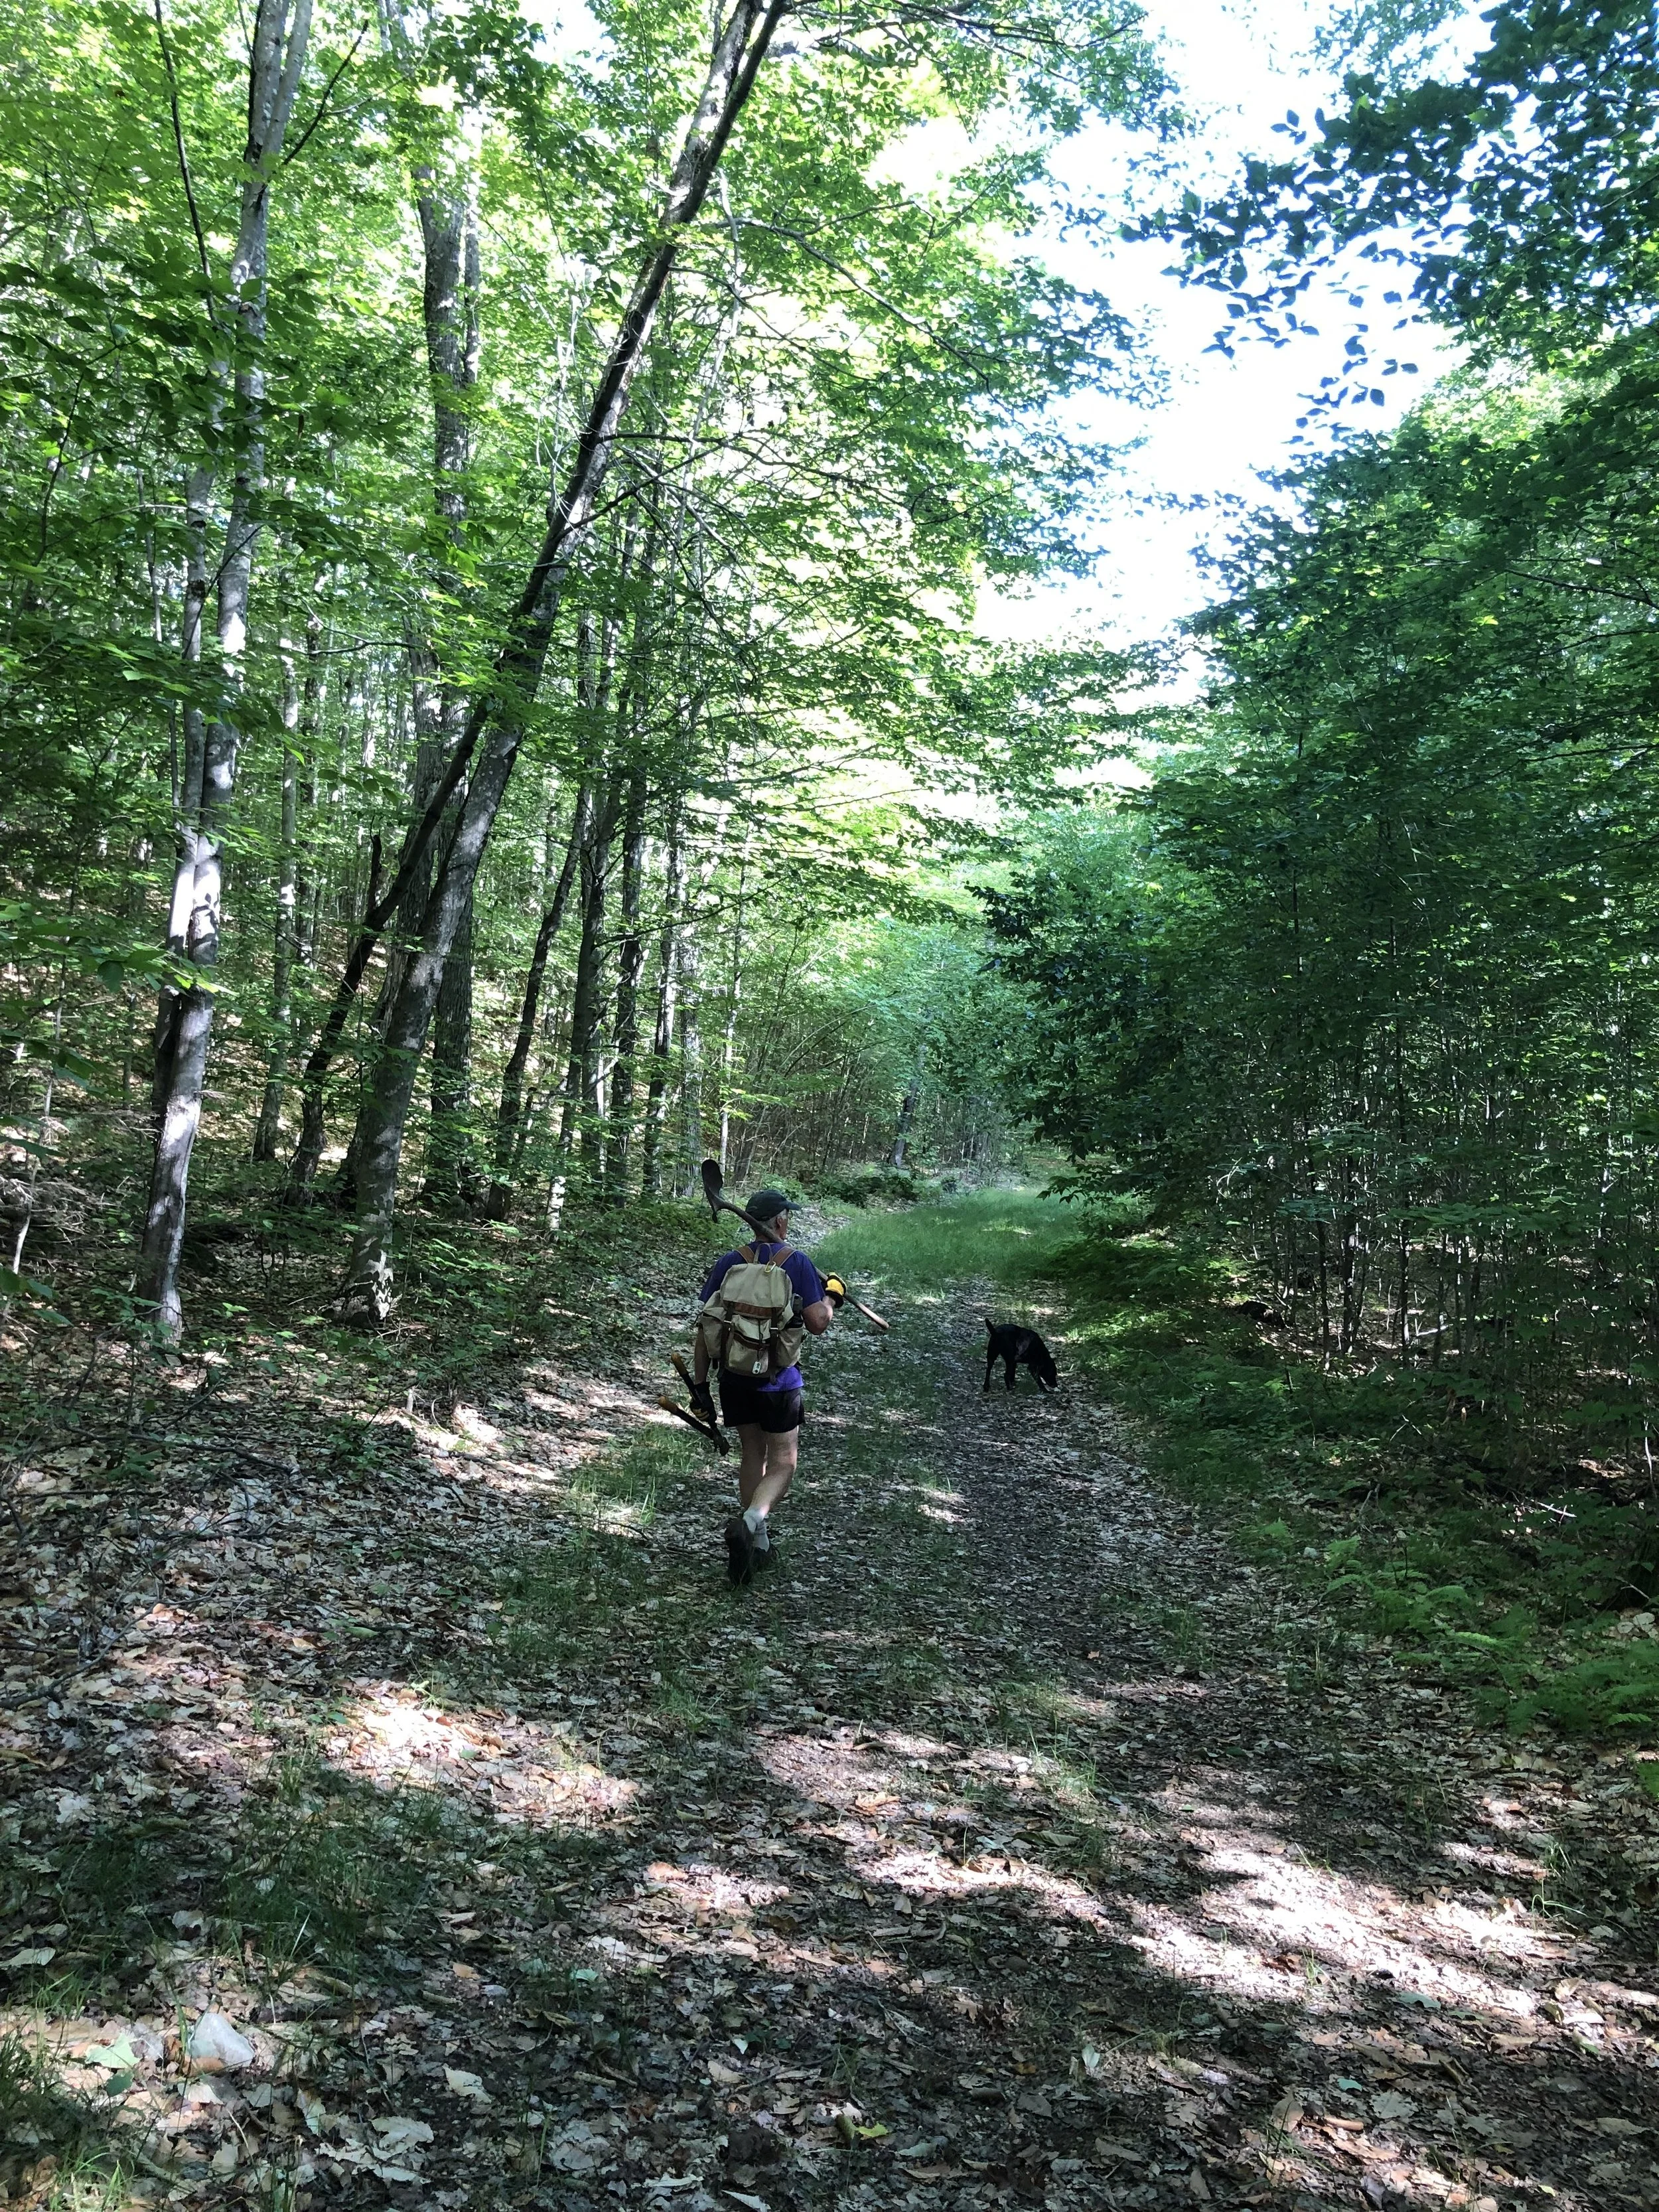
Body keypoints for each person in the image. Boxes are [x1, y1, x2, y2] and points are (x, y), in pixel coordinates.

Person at [690, 1189, 845, 1584]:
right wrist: (831, 1296)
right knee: (783, 1462)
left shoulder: (730, 1262)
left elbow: (705, 1328)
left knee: (752, 1455)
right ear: (779, 1222)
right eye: (786, 1217)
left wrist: (701, 1384)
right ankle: (751, 1520)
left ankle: (757, 1545)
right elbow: (818, 1323)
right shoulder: (796, 1263)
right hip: (779, 1382)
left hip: (734, 1379)